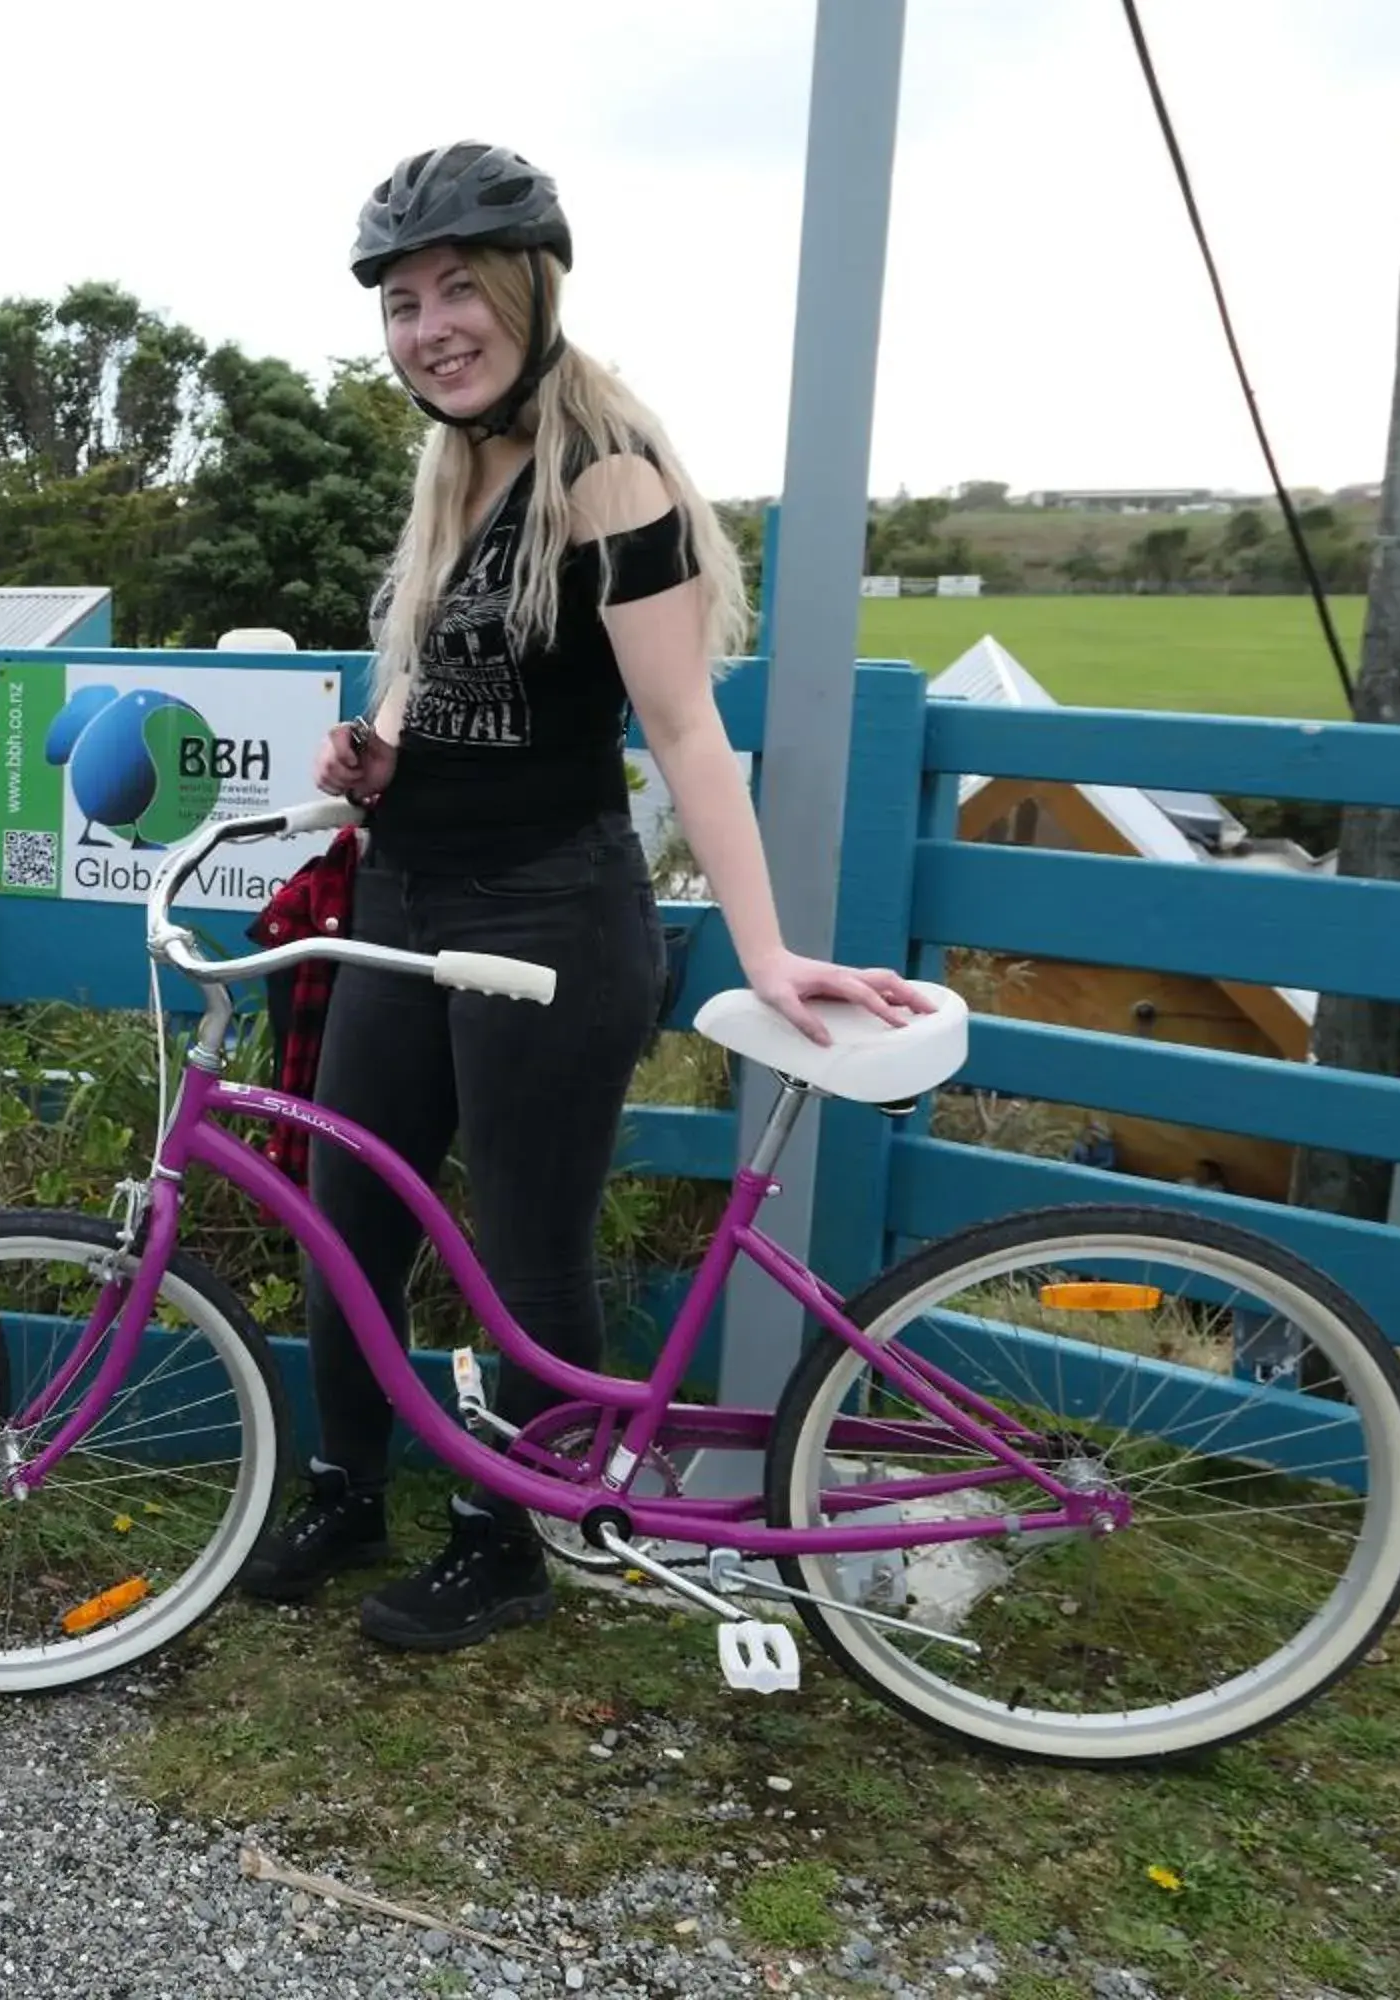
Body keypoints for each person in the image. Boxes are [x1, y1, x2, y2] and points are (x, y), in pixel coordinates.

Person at [235, 143, 933, 1651]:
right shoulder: (453, 474)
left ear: (530, 291)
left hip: (548, 914)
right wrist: (377, 758)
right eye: (404, 302)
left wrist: (767, 949)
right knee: (347, 1210)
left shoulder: (607, 477)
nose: (431, 327)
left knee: (526, 1246)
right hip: (407, 895)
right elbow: (456, 698)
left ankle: (515, 1537)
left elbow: (682, 729)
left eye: (459, 291)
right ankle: (350, 1482)